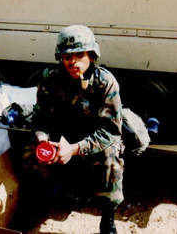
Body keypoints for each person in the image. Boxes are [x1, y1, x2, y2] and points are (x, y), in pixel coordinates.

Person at [22, 25, 125, 234]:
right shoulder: (49, 78)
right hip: (62, 136)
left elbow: (111, 131)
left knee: (111, 159)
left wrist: (75, 149)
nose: (73, 61)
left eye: (80, 54)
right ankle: (36, 206)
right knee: (29, 155)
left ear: (92, 55)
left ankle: (108, 218)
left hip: (93, 139)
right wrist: (42, 140)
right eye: (67, 55)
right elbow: (40, 118)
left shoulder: (105, 82)